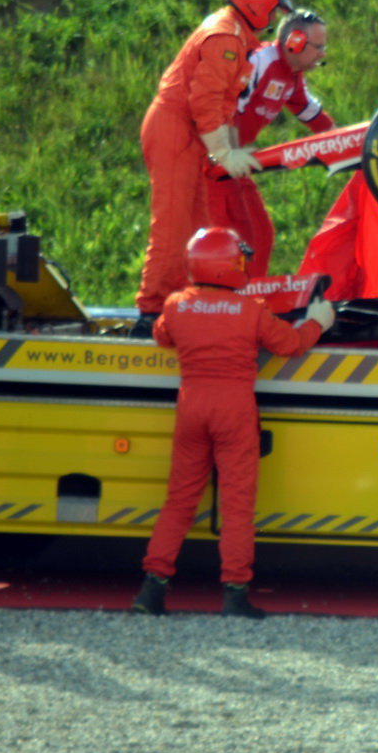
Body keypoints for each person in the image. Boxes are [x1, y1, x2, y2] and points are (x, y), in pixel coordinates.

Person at [131, 227, 334, 619]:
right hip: (235, 409)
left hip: (191, 407)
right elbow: (290, 345)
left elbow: (161, 336)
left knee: (179, 502)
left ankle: (151, 591)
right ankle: (235, 595)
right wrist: (317, 323)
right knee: (237, 506)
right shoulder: (251, 310)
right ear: (229, 265)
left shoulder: (176, 304)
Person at [134, 0, 293, 333]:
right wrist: (223, 152)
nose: (275, 17)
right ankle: (150, 311)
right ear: (255, 3)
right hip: (177, 131)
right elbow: (204, 102)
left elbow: (216, 104)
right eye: (274, 6)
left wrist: (223, 148)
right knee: (173, 227)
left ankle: (184, 303)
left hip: (189, 132)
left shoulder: (234, 34)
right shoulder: (225, 38)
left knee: (198, 230)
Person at [206, 9, 335, 278]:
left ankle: (248, 302)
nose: (323, 54)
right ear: (295, 42)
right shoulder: (259, 62)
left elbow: (314, 117)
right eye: (318, 47)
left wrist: (349, 142)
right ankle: (220, 304)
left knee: (260, 236)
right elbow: (222, 109)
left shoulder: (292, 77)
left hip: (232, 166)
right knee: (221, 242)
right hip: (210, 164)